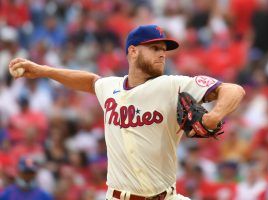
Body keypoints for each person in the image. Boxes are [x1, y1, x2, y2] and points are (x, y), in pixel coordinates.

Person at [8, 24, 245, 200]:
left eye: (164, 49)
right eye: (154, 48)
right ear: (133, 51)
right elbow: (90, 82)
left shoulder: (172, 85)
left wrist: (214, 116)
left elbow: (233, 90)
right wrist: (43, 70)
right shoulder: (109, 87)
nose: (162, 54)